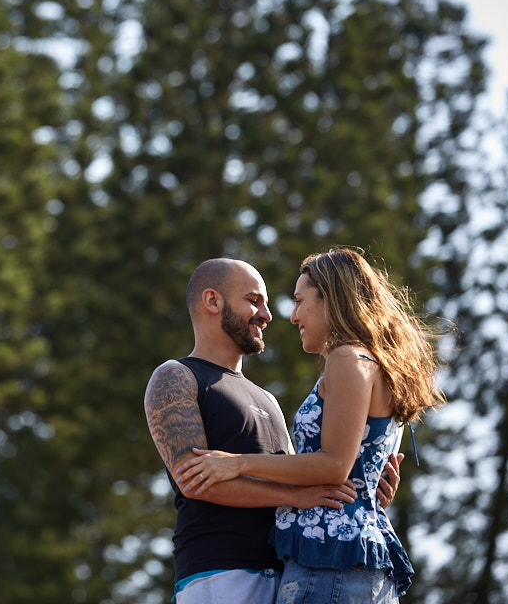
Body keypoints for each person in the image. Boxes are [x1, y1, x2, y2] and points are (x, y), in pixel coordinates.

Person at [175, 248, 444, 603]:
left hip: (331, 561)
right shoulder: (367, 360)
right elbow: (345, 466)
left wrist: (235, 462)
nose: (291, 315)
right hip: (348, 558)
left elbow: (334, 465)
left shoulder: (347, 357)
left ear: (330, 300)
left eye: (300, 301)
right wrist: (365, 491)